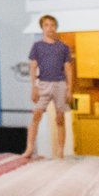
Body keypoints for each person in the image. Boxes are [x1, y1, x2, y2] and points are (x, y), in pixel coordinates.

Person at [25, 14, 73, 160]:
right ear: (42, 28)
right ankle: (29, 148)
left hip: (60, 84)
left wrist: (70, 88)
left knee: (60, 117)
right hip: (43, 83)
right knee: (36, 115)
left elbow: (68, 67)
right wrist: (33, 87)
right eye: (46, 25)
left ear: (56, 27)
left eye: (52, 25)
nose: (50, 28)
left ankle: (60, 151)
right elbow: (33, 67)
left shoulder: (63, 47)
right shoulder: (37, 46)